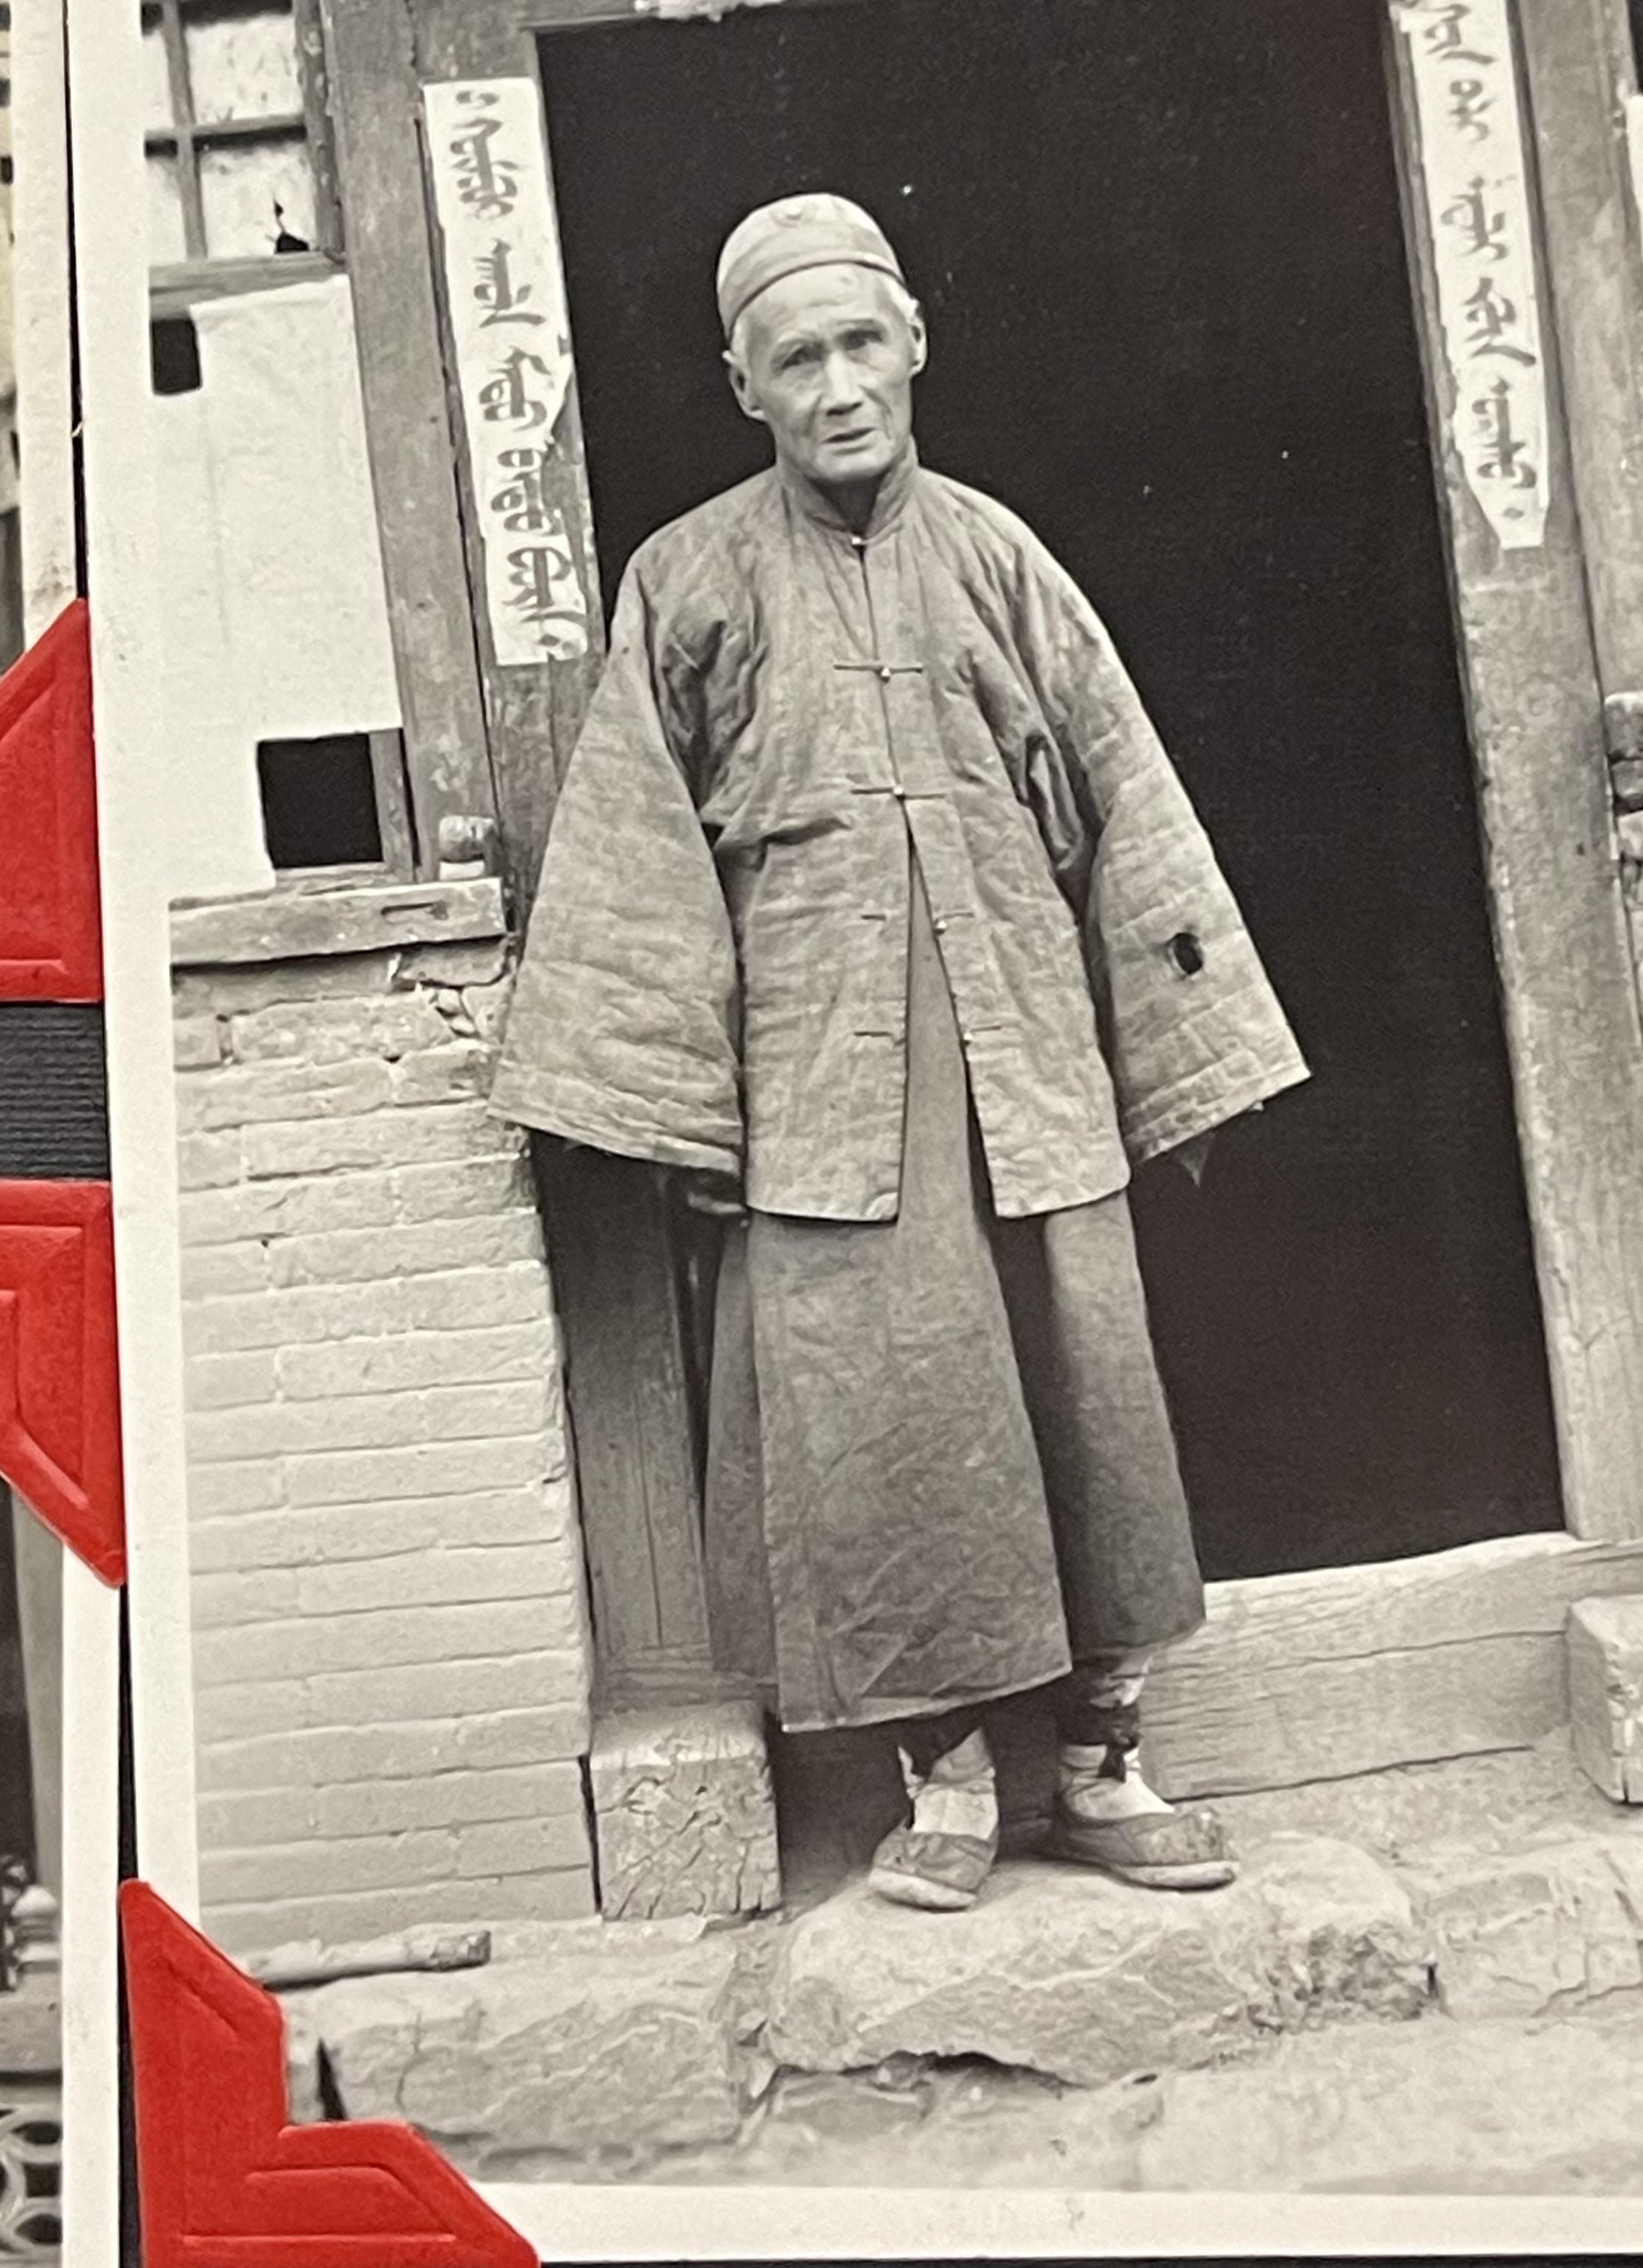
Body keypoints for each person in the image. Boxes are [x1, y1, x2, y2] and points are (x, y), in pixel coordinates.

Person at [490, 192, 1307, 1912]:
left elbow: (1129, 798)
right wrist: (673, 1108)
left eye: (866, 343)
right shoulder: (688, 580)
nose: (841, 385)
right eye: (800, 357)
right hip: (822, 1089)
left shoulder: (1003, 557)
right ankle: (939, 1783)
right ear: (744, 386)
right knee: (884, 1432)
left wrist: (1178, 1050)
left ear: (917, 340)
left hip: (1023, 1050)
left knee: (1080, 1391)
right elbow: (640, 859)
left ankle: (1102, 1763)